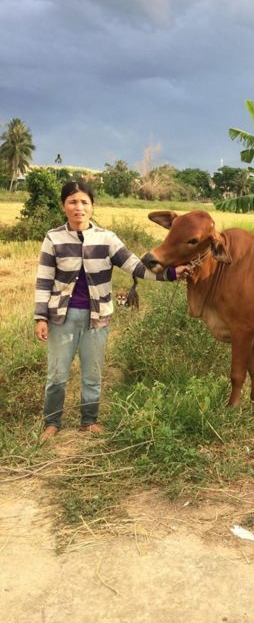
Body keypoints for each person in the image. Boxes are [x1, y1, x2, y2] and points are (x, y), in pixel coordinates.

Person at [34, 180, 185, 440]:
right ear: (63, 206)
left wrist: (171, 274)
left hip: (98, 318)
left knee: (92, 374)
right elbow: (44, 279)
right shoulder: (54, 238)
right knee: (57, 375)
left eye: (84, 202)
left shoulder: (107, 239)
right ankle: (52, 422)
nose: (78, 207)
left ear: (92, 207)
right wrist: (40, 317)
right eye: (72, 202)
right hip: (61, 317)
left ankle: (88, 421)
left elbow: (136, 267)